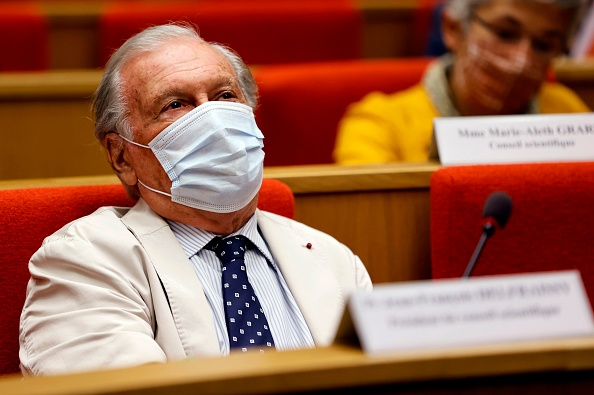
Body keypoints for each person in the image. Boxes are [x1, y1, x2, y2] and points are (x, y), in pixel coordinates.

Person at [18, 23, 373, 377]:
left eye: (225, 96)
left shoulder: (333, 258)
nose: (213, 120)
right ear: (122, 157)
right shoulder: (85, 262)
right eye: (175, 104)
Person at [333, 0, 591, 165]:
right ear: (453, 29)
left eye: (544, 45)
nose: (522, 61)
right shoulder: (380, 125)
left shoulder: (570, 115)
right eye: (505, 34)